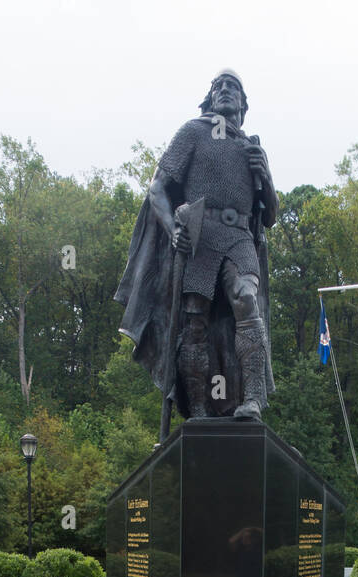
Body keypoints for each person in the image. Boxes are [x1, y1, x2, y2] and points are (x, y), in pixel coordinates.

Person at [115, 69, 276, 423]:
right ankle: (199, 408)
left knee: (247, 301)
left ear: (243, 103)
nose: (224, 90)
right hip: (200, 236)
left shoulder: (251, 148)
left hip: (239, 238)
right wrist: (173, 228)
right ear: (210, 97)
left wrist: (265, 173)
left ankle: (251, 400)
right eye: (218, 86)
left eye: (232, 87)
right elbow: (157, 188)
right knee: (195, 322)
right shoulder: (193, 132)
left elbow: (270, 217)